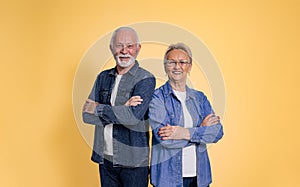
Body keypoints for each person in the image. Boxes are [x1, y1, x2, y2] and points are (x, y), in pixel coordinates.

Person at [82, 26, 156, 187]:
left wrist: (98, 108)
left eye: (129, 46)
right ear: (111, 48)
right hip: (105, 158)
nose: (124, 51)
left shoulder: (146, 79)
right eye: (119, 45)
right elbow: (86, 115)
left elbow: (133, 117)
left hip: (134, 162)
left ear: (138, 48)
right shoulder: (103, 77)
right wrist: (123, 108)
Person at [149, 43, 224, 187]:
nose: (177, 67)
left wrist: (182, 132)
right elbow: (165, 139)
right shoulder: (157, 98)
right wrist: (200, 130)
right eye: (172, 62)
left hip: (199, 177)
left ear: (189, 67)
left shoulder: (199, 98)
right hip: (167, 179)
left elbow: (217, 132)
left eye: (183, 62)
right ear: (165, 66)